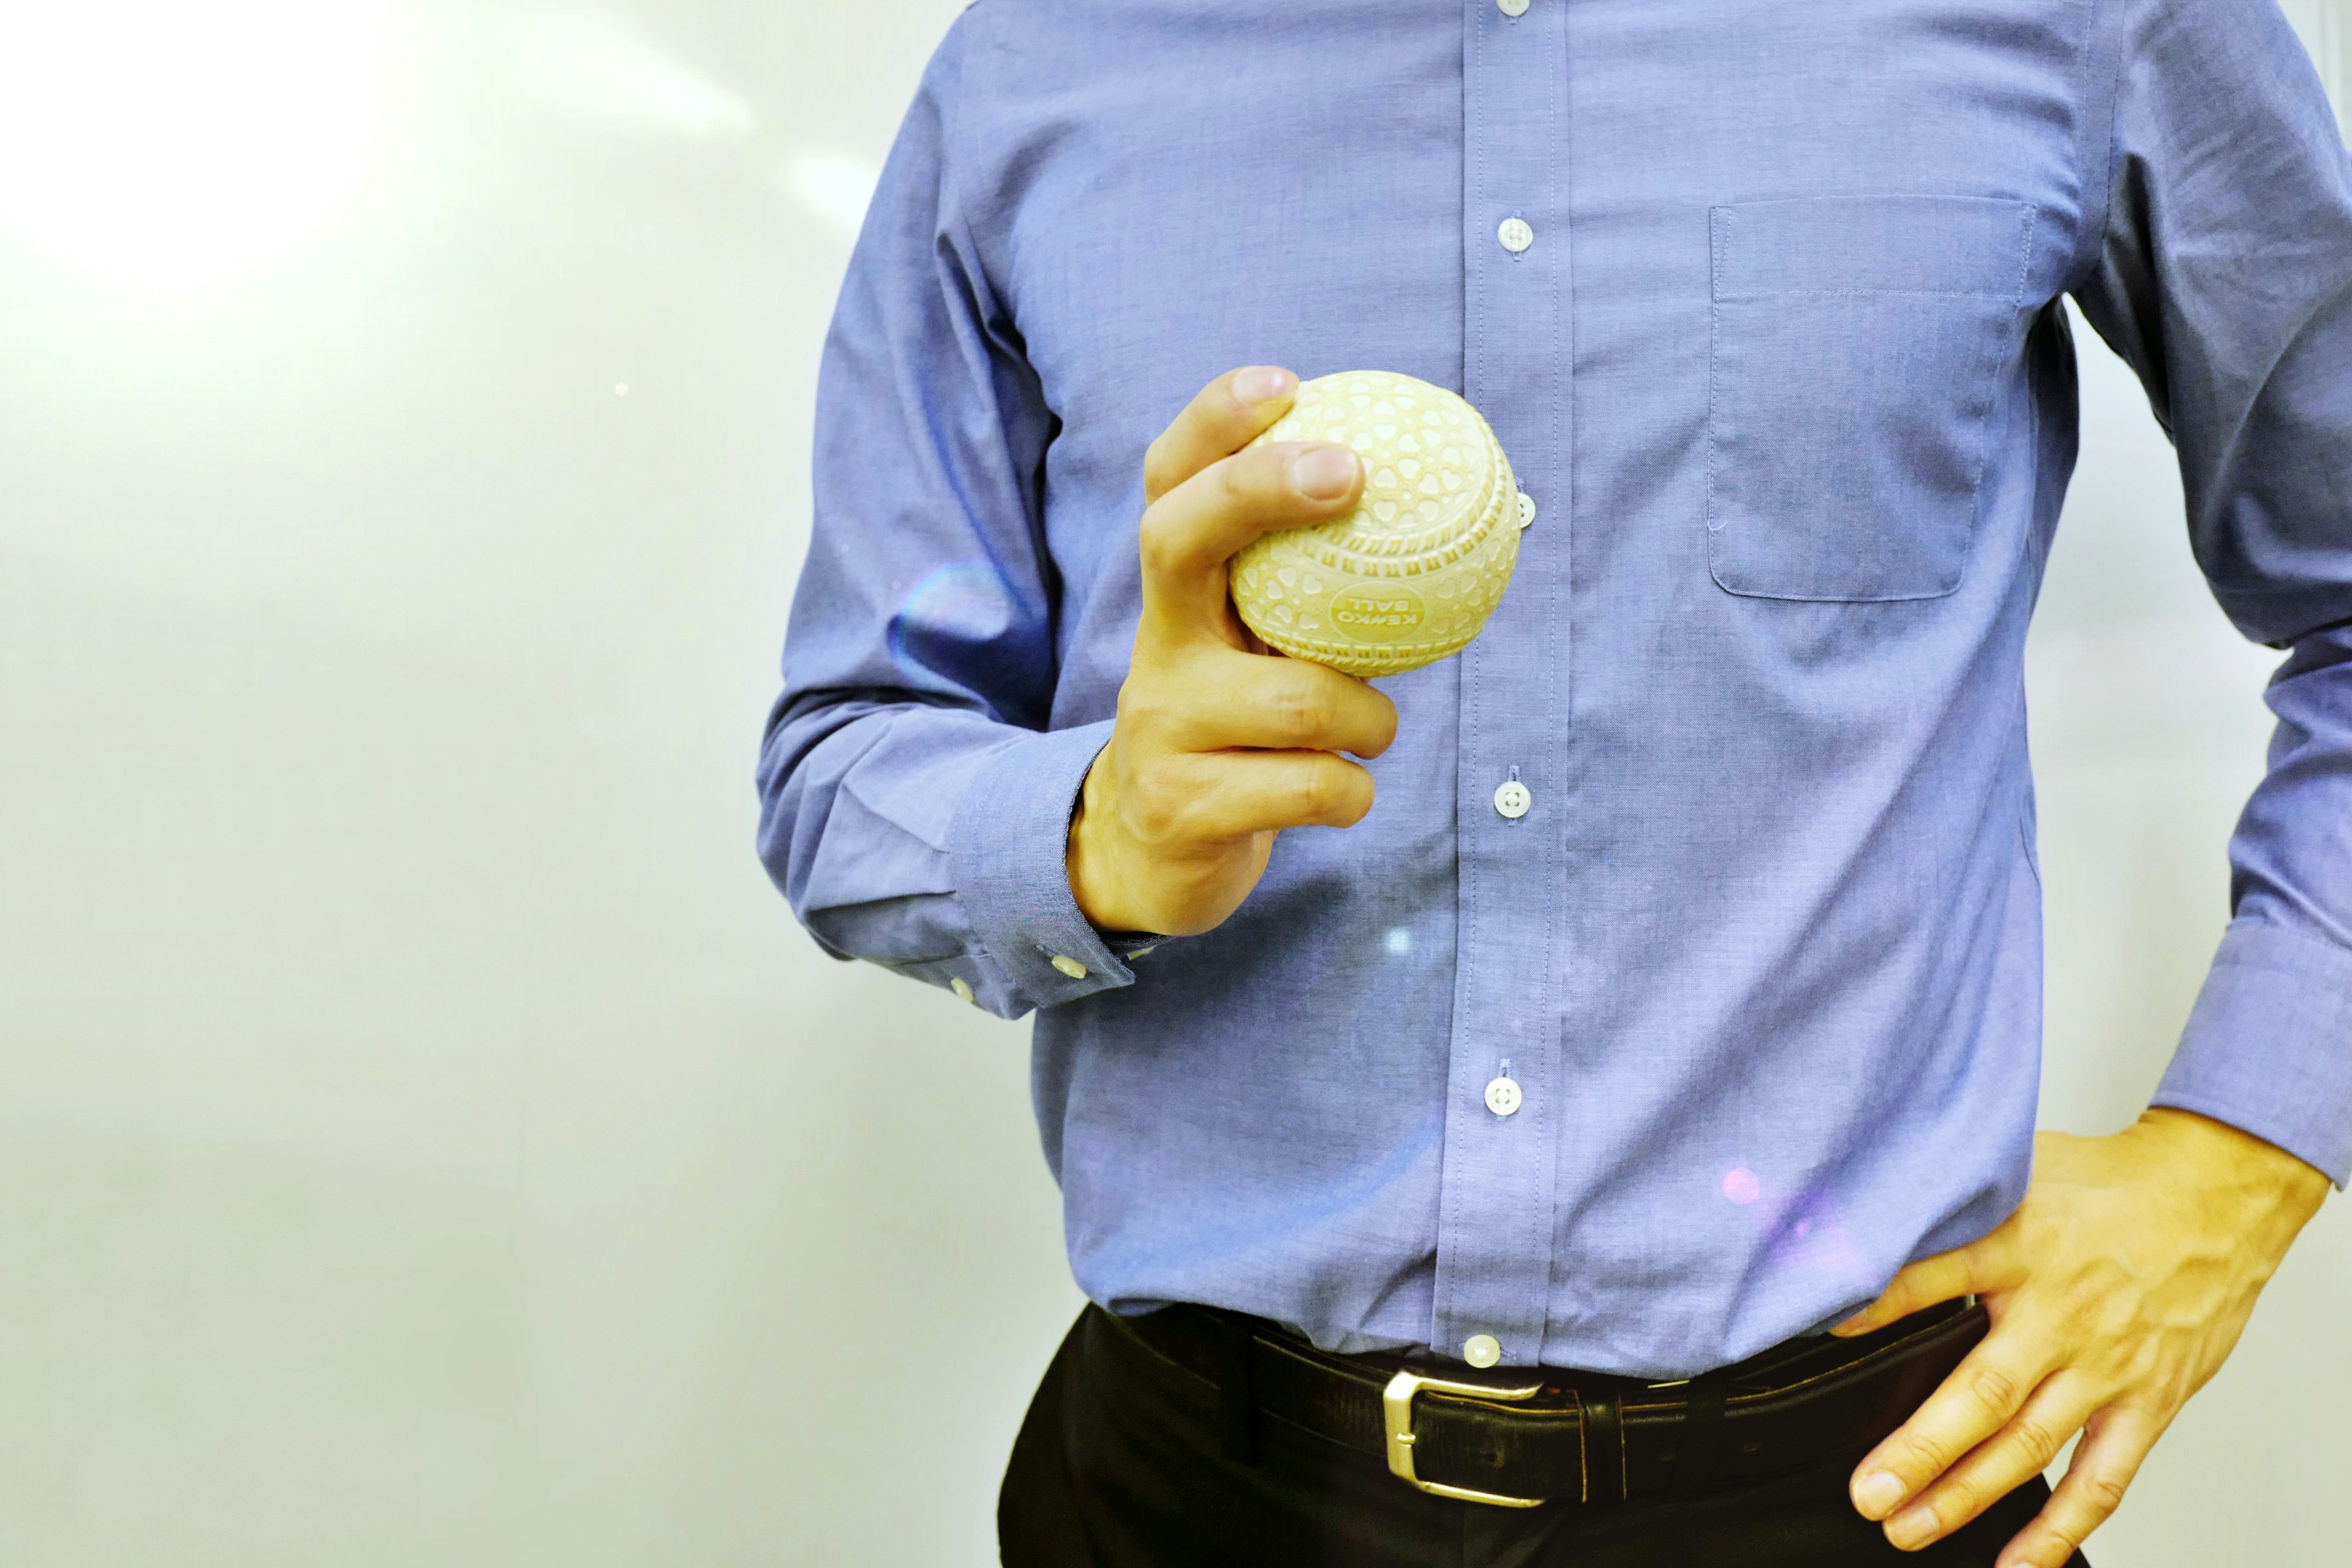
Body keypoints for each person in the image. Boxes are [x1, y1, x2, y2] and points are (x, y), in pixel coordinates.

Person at [756, 1, 2346, 1562]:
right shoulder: (1043, 58)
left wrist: (2236, 1164)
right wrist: (1093, 839)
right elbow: (847, 757)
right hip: (1199, 1487)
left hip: (1861, 1489)